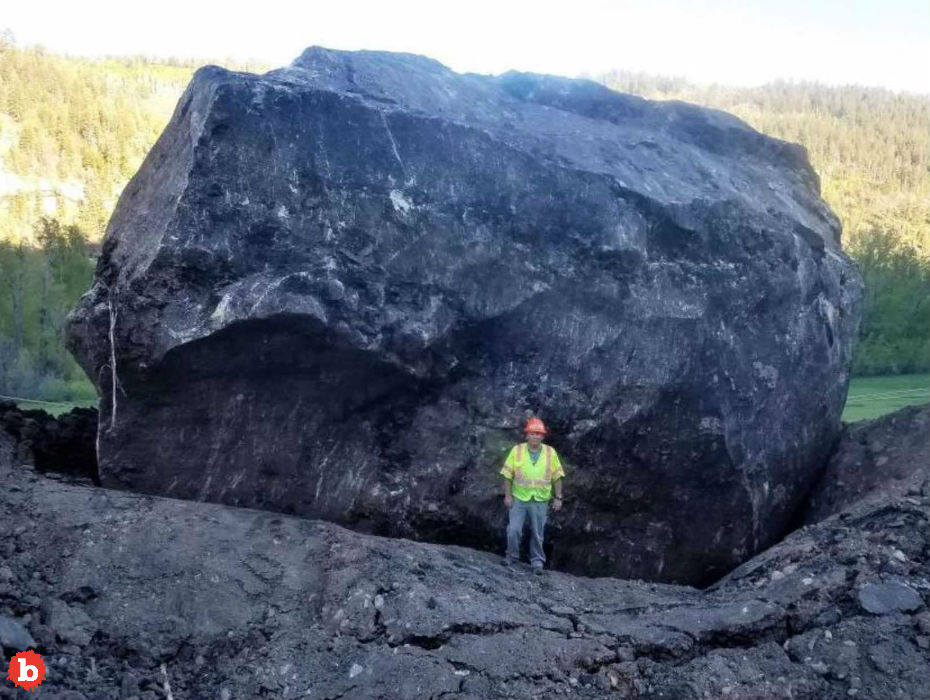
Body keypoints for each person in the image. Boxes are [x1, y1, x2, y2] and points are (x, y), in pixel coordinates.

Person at [500, 417, 565, 574]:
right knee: (514, 529)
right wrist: (508, 496)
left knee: (537, 532)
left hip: (540, 499)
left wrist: (558, 497)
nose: (535, 436)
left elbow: (557, 476)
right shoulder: (517, 451)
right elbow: (507, 475)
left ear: (543, 436)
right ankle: (512, 557)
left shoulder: (550, 453)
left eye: (538, 434)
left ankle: (537, 562)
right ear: (527, 435)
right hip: (519, 497)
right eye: (532, 433)